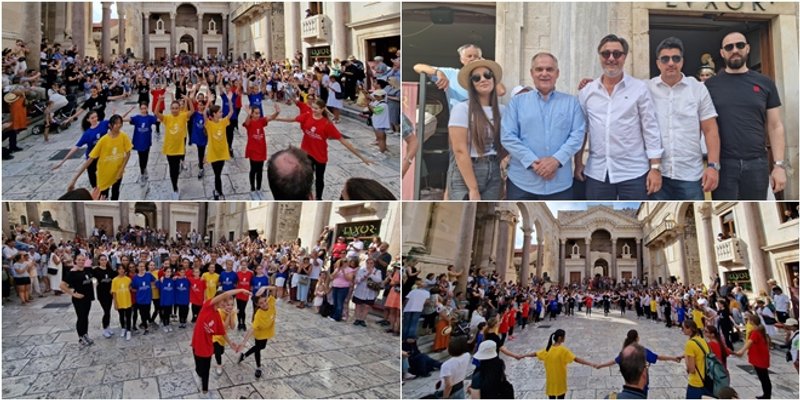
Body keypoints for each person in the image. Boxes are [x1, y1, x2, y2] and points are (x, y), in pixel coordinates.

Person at [575, 34, 663, 200]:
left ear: (624, 57)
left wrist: (655, 168)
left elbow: (650, 128)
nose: (611, 58)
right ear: (599, 56)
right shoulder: (587, 92)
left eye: (617, 54)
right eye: (606, 53)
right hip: (597, 172)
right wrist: (578, 162)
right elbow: (581, 131)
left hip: (634, 172)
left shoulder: (639, 89)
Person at [705, 32, 786, 200]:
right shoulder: (710, 86)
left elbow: (775, 125)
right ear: (722, 53)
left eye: (740, 45)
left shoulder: (765, 83)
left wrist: (779, 166)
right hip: (724, 165)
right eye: (729, 47)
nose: (735, 50)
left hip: (757, 163)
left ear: (747, 48)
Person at [501, 52, 585, 200]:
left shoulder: (572, 103)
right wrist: (534, 163)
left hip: (560, 185)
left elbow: (577, 136)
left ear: (557, 73)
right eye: (539, 69)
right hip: (522, 183)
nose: (544, 74)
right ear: (532, 73)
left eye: (549, 69)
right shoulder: (516, 103)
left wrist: (555, 161)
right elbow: (508, 136)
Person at [647, 37, 721, 199]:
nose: (671, 63)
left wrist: (713, 166)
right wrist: (591, 83)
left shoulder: (697, 89)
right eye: (665, 59)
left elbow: (710, 130)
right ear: (658, 63)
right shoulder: (646, 89)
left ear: (682, 61)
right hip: (657, 173)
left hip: (690, 175)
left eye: (676, 58)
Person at [274, 97, 372, 200]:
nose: (314, 110)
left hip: (319, 155)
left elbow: (343, 141)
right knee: (307, 177)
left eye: (316, 108)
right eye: (313, 108)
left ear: (322, 109)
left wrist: (361, 157)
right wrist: (274, 118)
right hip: (306, 153)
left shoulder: (327, 124)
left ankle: (319, 198)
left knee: (319, 179)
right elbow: (291, 119)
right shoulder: (307, 116)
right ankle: (307, 195)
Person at [448, 59, 505, 200]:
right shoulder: (461, 109)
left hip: (494, 169)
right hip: (468, 170)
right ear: (471, 84)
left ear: (494, 79)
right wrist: (473, 189)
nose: (483, 79)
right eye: (476, 78)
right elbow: (459, 150)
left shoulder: (503, 110)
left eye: (487, 74)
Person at [191, 288, 249, 397]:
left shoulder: (217, 315)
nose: (225, 304)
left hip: (207, 347)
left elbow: (222, 331)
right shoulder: (207, 306)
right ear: (217, 299)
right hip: (197, 343)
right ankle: (199, 373)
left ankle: (205, 389)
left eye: (227, 302)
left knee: (206, 370)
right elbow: (226, 293)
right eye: (224, 300)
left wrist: (231, 343)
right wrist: (241, 290)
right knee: (199, 369)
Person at [595, 329, 683, 396]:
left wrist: (600, 365)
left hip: (630, 381)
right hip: (641, 381)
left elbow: (614, 361)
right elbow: (658, 357)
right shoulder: (642, 351)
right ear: (637, 338)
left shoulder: (625, 351)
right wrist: (673, 358)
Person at [66, 113, 134, 200]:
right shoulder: (103, 140)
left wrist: (121, 169)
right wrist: (74, 179)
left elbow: (128, 153)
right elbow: (90, 159)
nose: (119, 125)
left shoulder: (123, 136)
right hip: (104, 174)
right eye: (116, 123)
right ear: (110, 125)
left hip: (117, 172)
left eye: (120, 123)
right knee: (103, 196)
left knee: (115, 193)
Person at [523, 329, 597, 398]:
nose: (565, 338)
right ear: (560, 338)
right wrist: (591, 363)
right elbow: (576, 359)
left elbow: (535, 354)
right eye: (564, 336)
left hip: (550, 381)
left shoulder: (547, 349)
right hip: (560, 381)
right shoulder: (563, 350)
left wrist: (523, 355)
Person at [154, 93, 194, 200]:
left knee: (176, 169)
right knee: (173, 170)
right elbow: (156, 113)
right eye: (173, 108)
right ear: (170, 109)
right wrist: (159, 101)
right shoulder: (167, 118)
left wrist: (189, 100)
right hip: (170, 149)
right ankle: (175, 188)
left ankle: (177, 175)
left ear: (179, 108)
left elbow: (192, 111)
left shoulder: (183, 116)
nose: (175, 110)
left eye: (176, 108)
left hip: (179, 149)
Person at [238, 286, 277, 378]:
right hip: (260, 334)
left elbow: (275, 289)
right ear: (257, 305)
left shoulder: (271, 302)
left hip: (267, 332)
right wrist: (244, 342)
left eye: (264, 301)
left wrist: (265, 287)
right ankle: (258, 367)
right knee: (258, 348)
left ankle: (244, 355)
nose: (264, 304)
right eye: (261, 303)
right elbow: (252, 329)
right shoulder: (258, 315)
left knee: (261, 347)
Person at [244, 103, 280, 200]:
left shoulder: (261, 121)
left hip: (261, 150)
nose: (258, 115)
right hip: (253, 150)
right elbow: (246, 123)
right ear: (252, 114)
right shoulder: (250, 122)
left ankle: (258, 189)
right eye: (256, 113)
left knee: (260, 171)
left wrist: (277, 112)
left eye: (258, 113)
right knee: (253, 170)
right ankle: (252, 189)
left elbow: (270, 118)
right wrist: (248, 114)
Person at [59, 254, 96, 346]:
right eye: (79, 260)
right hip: (79, 299)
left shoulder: (87, 270)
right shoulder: (72, 273)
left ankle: (85, 334)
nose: (81, 261)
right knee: (81, 317)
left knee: (85, 317)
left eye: (83, 260)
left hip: (88, 297)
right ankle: (80, 337)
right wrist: (73, 294)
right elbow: (62, 285)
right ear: (75, 261)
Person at [733, 313, 771, 398]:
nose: (747, 321)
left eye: (749, 320)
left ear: (752, 322)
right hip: (761, 357)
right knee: (764, 378)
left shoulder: (755, 332)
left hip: (759, 358)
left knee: (764, 378)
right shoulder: (759, 330)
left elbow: (750, 342)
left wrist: (741, 351)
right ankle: (766, 395)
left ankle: (767, 396)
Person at [204, 98, 234, 200]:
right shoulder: (209, 124)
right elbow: (204, 114)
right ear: (214, 114)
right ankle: (219, 192)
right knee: (217, 174)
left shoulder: (223, 122)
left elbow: (231, 112)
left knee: (219, 173)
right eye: (220, 112)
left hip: (222, 153)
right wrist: (208, 102)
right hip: (213, 153)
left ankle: (218, 191)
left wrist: (230, 102)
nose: (222, 113)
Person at [127, 102, 159, 183]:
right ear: (140, 109)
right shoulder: (137, 118)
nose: (143, 110)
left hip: (146, 141)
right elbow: (127, 119)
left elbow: (158, 119)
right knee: (141, 156)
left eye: (145, 108)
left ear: (147, 109)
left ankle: (144, 167)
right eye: (142, 108)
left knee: (146, 155)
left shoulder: (149, 118)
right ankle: (142, 169)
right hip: (138, 141)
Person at [682, 320, 711, 398]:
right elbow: (699, 354)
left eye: (683, 328)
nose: (682, 330)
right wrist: (685, 355)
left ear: (690, 329)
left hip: (696, 382)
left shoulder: (690, 344)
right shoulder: (701, 340)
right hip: (705, 380)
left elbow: (691, 369)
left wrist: (686, 358)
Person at [92, 254, 117, 338]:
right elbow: (90, 277)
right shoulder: (96, 270)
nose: (103, 261)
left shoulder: (110, 270)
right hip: (102, 294)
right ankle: (104, 329)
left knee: (108, 311)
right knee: (106, 311)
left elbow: (116, 277)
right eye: (102, 260)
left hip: (109, 294)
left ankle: (107, 326)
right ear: (99, 261)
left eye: (105, 260)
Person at [111, 264, 133, 341]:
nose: (121, 270)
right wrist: (115, 303)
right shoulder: (114, 280)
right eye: (119, 269)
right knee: (121, 316)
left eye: (122, 269)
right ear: (117, 270)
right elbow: (113, 292)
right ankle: (123, 328)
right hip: (120, 302)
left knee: (128, 316)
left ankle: (129, 330)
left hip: (128, 301)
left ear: (125, 270)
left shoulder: (128, 279)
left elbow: (131, 289)